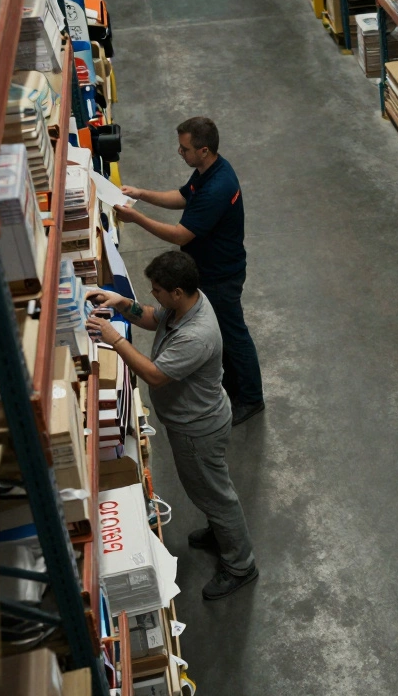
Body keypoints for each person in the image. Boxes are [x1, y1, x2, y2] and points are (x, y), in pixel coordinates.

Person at [87, 251, 258, 600]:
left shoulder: (197, 335)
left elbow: (155, 375)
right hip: (195, 421)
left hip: (198, 429)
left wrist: (114, 338)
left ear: (177, 292)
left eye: (158, 290)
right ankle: (219, 531)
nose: (153, 296)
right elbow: (153, 317)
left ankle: (241, 565)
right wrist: (122, 304)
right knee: (207, 489)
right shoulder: (188, 303)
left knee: (216, 495)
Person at [116, 117, 265, 425]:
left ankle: (251, 398)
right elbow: (183, 196)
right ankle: (231, 384)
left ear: (204, 150)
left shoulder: (218, 186)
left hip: (221, 274)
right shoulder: (206, 172)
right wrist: (141, 194)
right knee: (224, 332)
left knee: (233, 334)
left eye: (185, 149)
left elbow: (180, 235)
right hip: (208, 269)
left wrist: (136, 218)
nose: (180, 152)